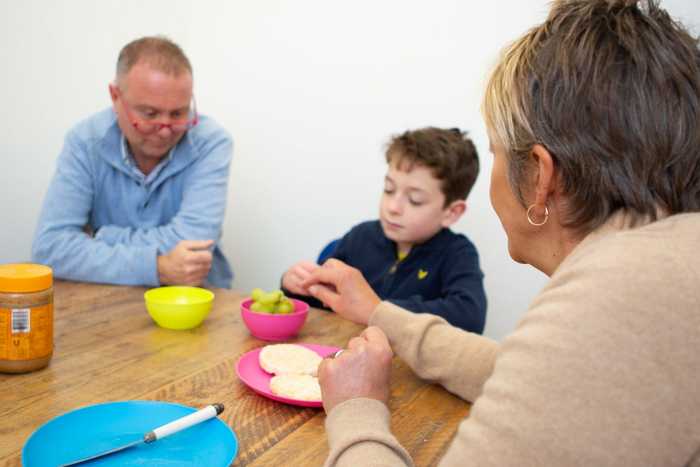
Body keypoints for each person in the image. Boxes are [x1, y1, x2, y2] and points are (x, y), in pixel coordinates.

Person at [303, 1, 700, 465]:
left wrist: (356, 411)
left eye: (495, 152)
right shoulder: (669, 260)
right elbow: (536, 380)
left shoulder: (626, 289)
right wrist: (378, 313)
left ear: (539, 176)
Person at [32, 36, 233, 288]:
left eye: (178, 113)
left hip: (195, 304)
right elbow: (51, 249)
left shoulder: (211, 142)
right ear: (115, 96)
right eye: (150, 114)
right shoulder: (84, 142)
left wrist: (102, 236)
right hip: (106, 304)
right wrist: (157, 268)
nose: (165, 129)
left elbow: (194, 243)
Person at [282, 127, 487, 332]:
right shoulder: (360, 238)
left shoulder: (457, 253)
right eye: (389, 190)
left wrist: (375, 309)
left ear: (451, 212)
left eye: (415, 200)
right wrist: (297, 287)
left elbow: (470, 317)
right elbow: (323, 300)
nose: (393, 207)